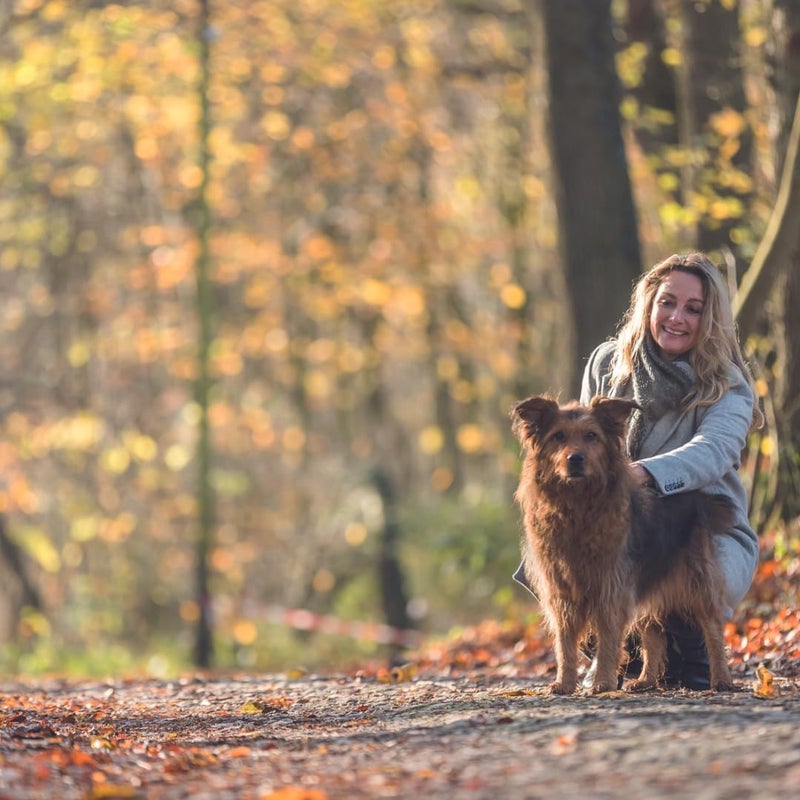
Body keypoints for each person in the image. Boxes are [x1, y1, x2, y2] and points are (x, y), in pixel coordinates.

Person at [515, 252, 762, 689]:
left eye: (694, 309)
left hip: (695, 526)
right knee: (571, 566)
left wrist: (639, 475)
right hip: (616, 520)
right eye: (668, 302)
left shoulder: (728, 385)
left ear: (711, 320)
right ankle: (609, 648)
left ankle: (675, 648)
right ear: (649, 303)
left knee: (692, 670)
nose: (677, 317)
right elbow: (583, 435)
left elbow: (712, 451)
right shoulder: (608, 361)